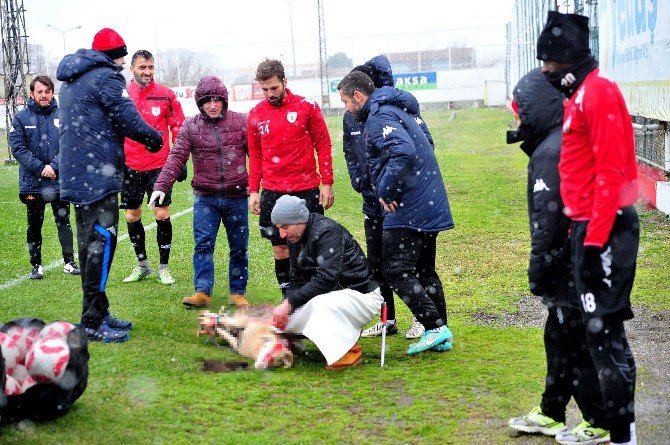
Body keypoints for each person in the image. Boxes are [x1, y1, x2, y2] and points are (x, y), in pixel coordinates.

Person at [538, 11, 638, 445]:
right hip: (586, 230)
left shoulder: (600, 93)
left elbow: (614, 175)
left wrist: (595, 242)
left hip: (607, 229)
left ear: (568, 58)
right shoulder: (578, 95)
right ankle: (616, 431)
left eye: (548, 62)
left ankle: (622, 436)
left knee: (606, 336)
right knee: (595, 336)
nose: (543, 70)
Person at [505, 68, 609, 442]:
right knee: (560, 334)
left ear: (535, 109)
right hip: (578, 258)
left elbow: (549, 223)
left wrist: (539, 269)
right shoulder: (557, 140)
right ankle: (551, 411)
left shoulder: (552, 152)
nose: (515, 120)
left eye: (519, 111)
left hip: (572, 262)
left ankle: (600, 421)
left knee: (573, 340)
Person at [56, 28, 163, 342]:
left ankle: (99, 311)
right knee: (101, 245)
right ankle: (91, 322)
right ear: (117, 54)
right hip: (96, 175)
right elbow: (126, 117)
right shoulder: (106, 77)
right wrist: (154, 139)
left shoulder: (71, 79)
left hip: (76, 173)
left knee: (88, 244)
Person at [337, 71, 454, 355]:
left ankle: (435, 327)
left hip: (409, 204)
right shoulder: (394, 108)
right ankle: (440, 332)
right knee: (425, 269)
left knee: (394, 269)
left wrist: (386, 191)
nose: (345, 109)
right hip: (428, 200)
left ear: (358, 96)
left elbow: (403, 151)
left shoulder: (378, 118)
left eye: (345, 101)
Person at [342, 55, 424, 340]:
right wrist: (359, 180)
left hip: (397, 201)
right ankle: (387, 319)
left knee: (406, 265)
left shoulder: (390, 111)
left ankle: (422, 318)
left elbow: (419, 146)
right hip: (371, 201)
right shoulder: (349, 116)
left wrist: (391, 185)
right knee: (376, 265)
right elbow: (350, 153)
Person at [151, 76, 249, 309]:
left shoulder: (240, 122)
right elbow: (176, 158)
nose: (213, 105)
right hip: (206, 198)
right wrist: (161, 186)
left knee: (239, 246)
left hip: (237, 196)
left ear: (224, 101)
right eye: (208, 101)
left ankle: (238, 292)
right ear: (200, 103)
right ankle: (202, 292)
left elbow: (258, 154)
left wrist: (261, 186)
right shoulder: (191, 126)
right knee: (203, 244)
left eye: (217, 100)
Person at [247, 59, 334, 292]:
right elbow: (255, 155)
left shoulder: (307, 107)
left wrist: (327, 183)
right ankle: (289, 297)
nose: (269, 93)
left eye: (274, 88)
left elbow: (323, 145)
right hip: (273, 191)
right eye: (264, 89)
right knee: (280, 247)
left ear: (284, 81)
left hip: (305, 189)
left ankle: (313, 295)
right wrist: (254, 190)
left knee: (310, 246)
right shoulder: (256, 114)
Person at [270, 195, 383, 370]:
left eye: (285, 227)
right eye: (279, 228)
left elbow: (326, 279)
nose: (282, 234)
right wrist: (287, 307)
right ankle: (292, 343)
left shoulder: (328, 231)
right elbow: (296, 279)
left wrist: (290, 303)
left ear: (300, 219)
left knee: (321, 305)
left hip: (362, 294)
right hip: (332, 295)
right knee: (280, 321)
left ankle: (349, 353)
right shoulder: (294, 238)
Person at [120, 50, 185, 286]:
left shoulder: (165, 95)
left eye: (150, 67)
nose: (147, 72)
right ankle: (142, 265)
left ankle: (164, 268)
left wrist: (180, 160)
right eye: (142, 68)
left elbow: (178, 126)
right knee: (132, 215)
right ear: (132, 69)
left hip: (159, 166)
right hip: (130, 166)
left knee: (161, 213)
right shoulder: (123, 95)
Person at [9, 75, 79, 280]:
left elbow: (69, 145)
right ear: (32, 94)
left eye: (47, 91)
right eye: (39, 91)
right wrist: (41, 168)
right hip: (33, 184)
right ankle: (36, 266)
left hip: (59, 181)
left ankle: (69, 262)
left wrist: (55, 166)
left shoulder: (63, 115)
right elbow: (18, 149)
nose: (44, 95)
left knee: (63, 223)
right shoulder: (21, 118)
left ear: (52, 92)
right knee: (34, 224)